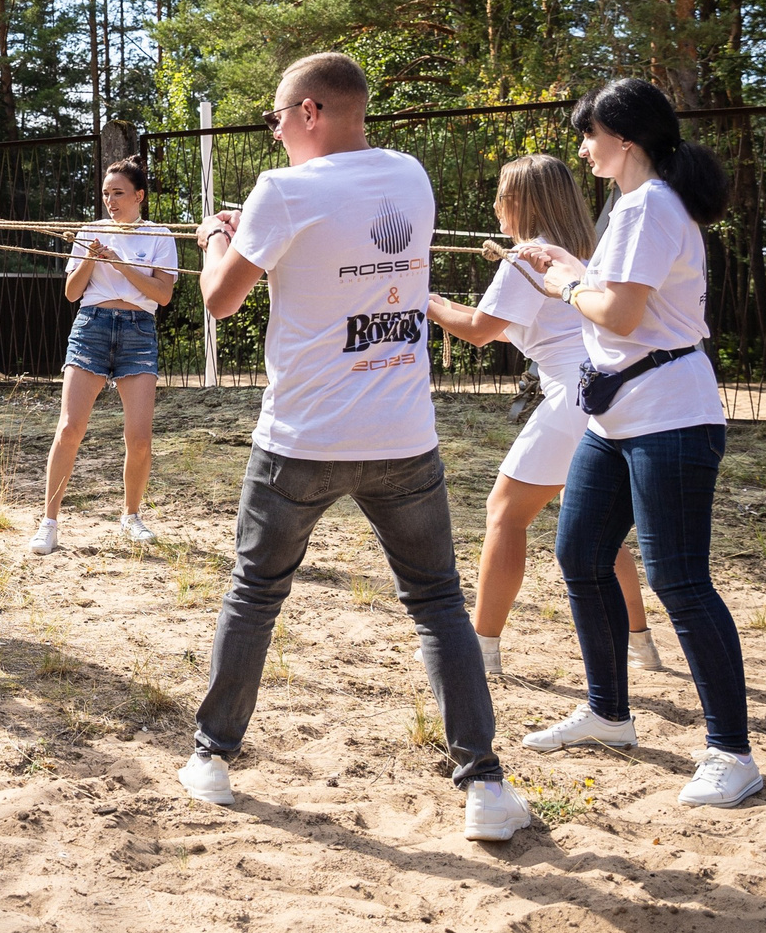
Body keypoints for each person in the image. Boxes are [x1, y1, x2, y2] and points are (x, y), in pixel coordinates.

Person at [182, 52, 526, 843]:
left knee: (254, 592)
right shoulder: (410, 174)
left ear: (310, 112)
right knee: (438, 602)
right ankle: (485, 784)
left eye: (275, 116)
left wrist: (214, 234)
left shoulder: (282, 190)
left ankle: (211, 755)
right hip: (402, 435)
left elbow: (219, 300)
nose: (272, 131)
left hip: (302, 436)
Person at [510, 78, 759, 810]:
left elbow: (618, 313)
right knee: (580, 554)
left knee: (680, 580)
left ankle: (732, 752)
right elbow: (615, 296)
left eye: (589, 134)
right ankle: (610, 713)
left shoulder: (650, 203)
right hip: (617, 418)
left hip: (671, 418)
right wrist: (571, 272)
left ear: (625, 138)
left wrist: (562, 286)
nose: (582, 147)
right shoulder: (632, 203)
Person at [425, 155, 657, 677]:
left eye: (501, 194)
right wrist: (447, 308)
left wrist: (426, 300)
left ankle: (480, 648)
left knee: (505, 514)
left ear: (521, 203)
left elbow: (482, 330)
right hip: (609, 393)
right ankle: (642, 645)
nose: (494, 205)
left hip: (572, 396)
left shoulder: (527, 260)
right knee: (602, 531)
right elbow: (514, 327)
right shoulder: (582, 253)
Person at [32, 154, 178, 554]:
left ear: (139, 196)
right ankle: (49, 523)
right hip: (92, 327)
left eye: (119, 193)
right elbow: (72, 292)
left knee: (140, 436)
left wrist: (120, 262)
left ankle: (131, 517)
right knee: (69, 428)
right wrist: (93, 260)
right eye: (106, 194)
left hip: (138, 333)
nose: (111, 201)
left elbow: (162, 295)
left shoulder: (160, 235)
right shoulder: (89, 231)